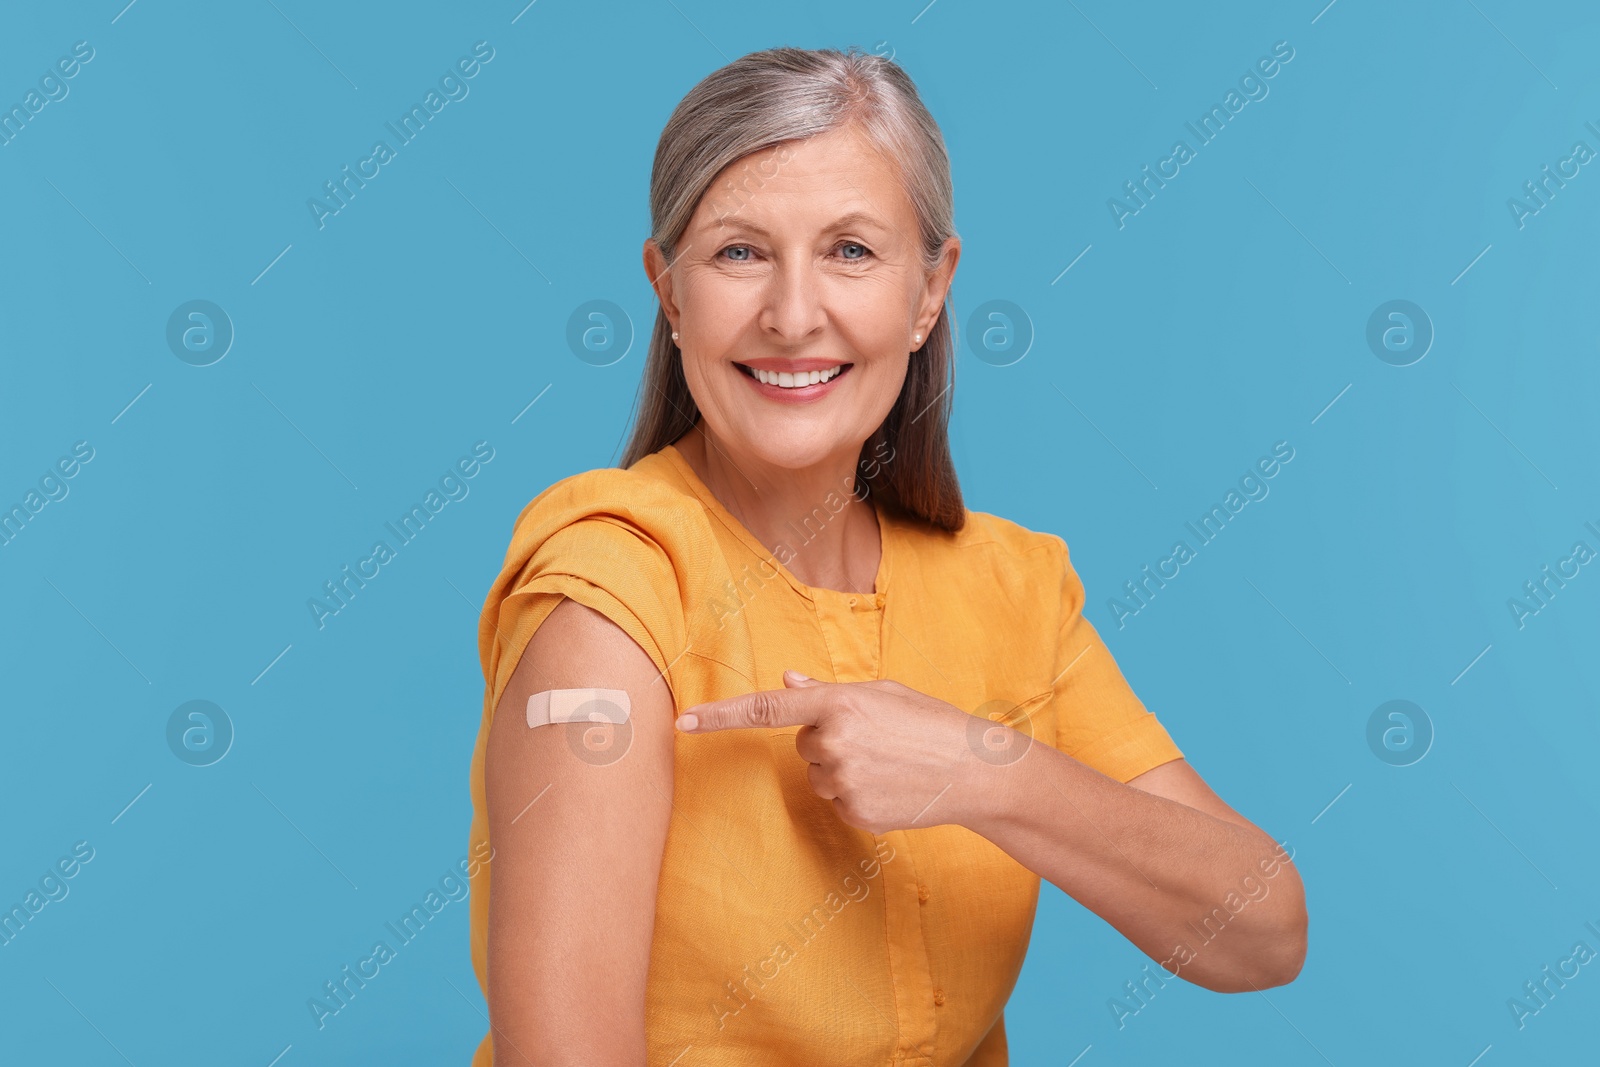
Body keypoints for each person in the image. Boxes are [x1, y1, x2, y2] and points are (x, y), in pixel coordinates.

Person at [465, 45, 1307, 1066]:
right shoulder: (614, 595)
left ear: (929, 290)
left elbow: (1262, 929)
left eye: (851, 251)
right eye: (738, 252)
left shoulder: (1008, 586)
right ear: (668, 289)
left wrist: (982, 769)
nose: (791, 313)